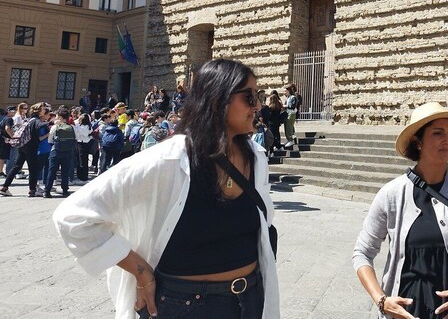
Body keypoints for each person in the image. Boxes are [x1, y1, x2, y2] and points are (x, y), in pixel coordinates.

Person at [53, 58, 279, 319]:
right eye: (250, 97)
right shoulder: (167, 160)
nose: (258, 105)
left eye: (258, 96)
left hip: (249, 301)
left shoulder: (256, 157)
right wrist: (141, 272)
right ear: (218, 98)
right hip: (183, 306)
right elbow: (72, 215)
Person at [353, 102, 448, 319]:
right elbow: (362, 253)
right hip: (406, 313)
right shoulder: (391, 194)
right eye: (437, 133)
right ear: (418, 142)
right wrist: (382, 300)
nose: (447, 139)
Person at [0, 103, 50, 197]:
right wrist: (50, 123)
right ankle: (32, 190)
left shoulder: (30, 119)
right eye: (43, 109)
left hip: (23, 145)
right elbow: (39, 126)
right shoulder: (36, 120)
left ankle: (4, 187)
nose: (45, 110)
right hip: (31, 147)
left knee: (16, 167)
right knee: (33, 169)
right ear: (38, 111)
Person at [44, 107, 77, 198]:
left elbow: (50, 140)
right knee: (65, 171)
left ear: (60, 117)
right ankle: (65, 190)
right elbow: (76, 138)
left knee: (52, 171)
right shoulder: (72, 127)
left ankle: (47, 191)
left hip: (56, 151)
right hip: (68, 152)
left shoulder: (55, 127)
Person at [282, 84, 298, 148]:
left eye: (285, 91)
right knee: (287, 126)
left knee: (289, 127)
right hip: (288, 113)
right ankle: (288, 139)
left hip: (291, 114)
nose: (285, 92)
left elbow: (292, 107)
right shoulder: (288, 98)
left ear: (289, 91)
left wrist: (285, 106)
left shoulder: (293, 97)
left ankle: (290, 140)